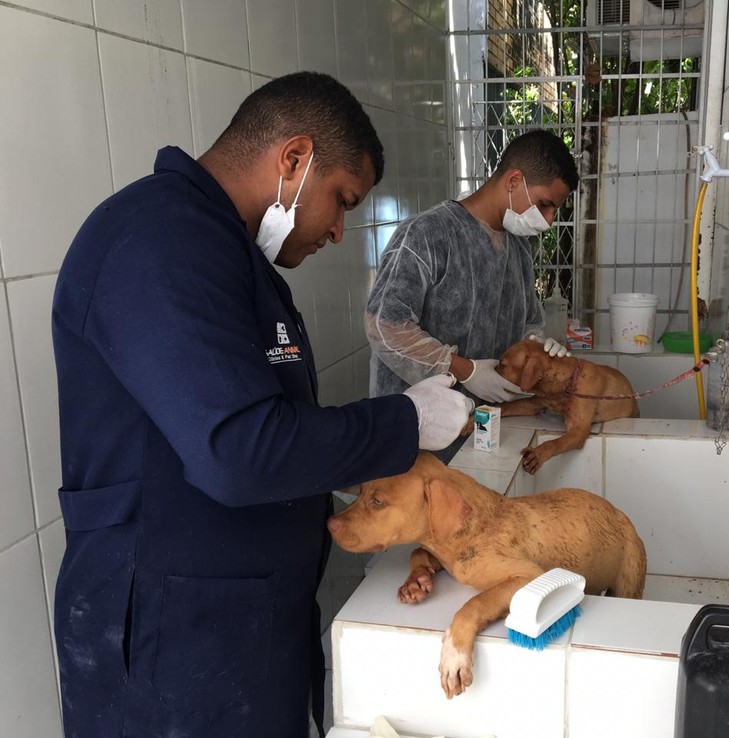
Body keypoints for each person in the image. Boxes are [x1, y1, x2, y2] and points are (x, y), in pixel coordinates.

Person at [51, 72, 472, 738]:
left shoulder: (224, 252)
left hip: (234, 621)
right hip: (171, 643)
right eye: (341, 201)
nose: (338, 230)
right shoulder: (158, 240)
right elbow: (241, 451)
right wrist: (402, 421)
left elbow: (258, 430)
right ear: (294, 159)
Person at [365, 129, 579, 460]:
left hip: (485, 430)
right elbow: (385, 326)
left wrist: (537, 347)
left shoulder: (518, 249)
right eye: (545, 204)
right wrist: (466, 370)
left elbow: (527, 323)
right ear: (514, 181)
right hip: (416, 434)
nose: (549, 221)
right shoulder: (426, 235)